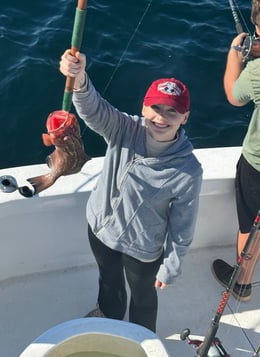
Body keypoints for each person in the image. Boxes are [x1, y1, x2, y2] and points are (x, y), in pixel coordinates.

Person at [59, 49, 203, 332]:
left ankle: (141, 336)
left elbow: (182, 225)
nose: (162, 118)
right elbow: (92, 108)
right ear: (144, 108)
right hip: (100, 229)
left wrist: (171, 264)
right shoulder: (123, 127)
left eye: (172, 111)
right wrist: (78, 77)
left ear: (184, 117)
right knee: (108, 281)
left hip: (143, 248)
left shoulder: (188, 170)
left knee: (144, 297)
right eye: (156, 108)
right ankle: (110, 317)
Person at [212, 0, 260, 302]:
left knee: (251, 225)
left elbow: (234, 95)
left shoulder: (256, 72)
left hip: (257, 165)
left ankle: (241, 283)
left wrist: (235, 53)